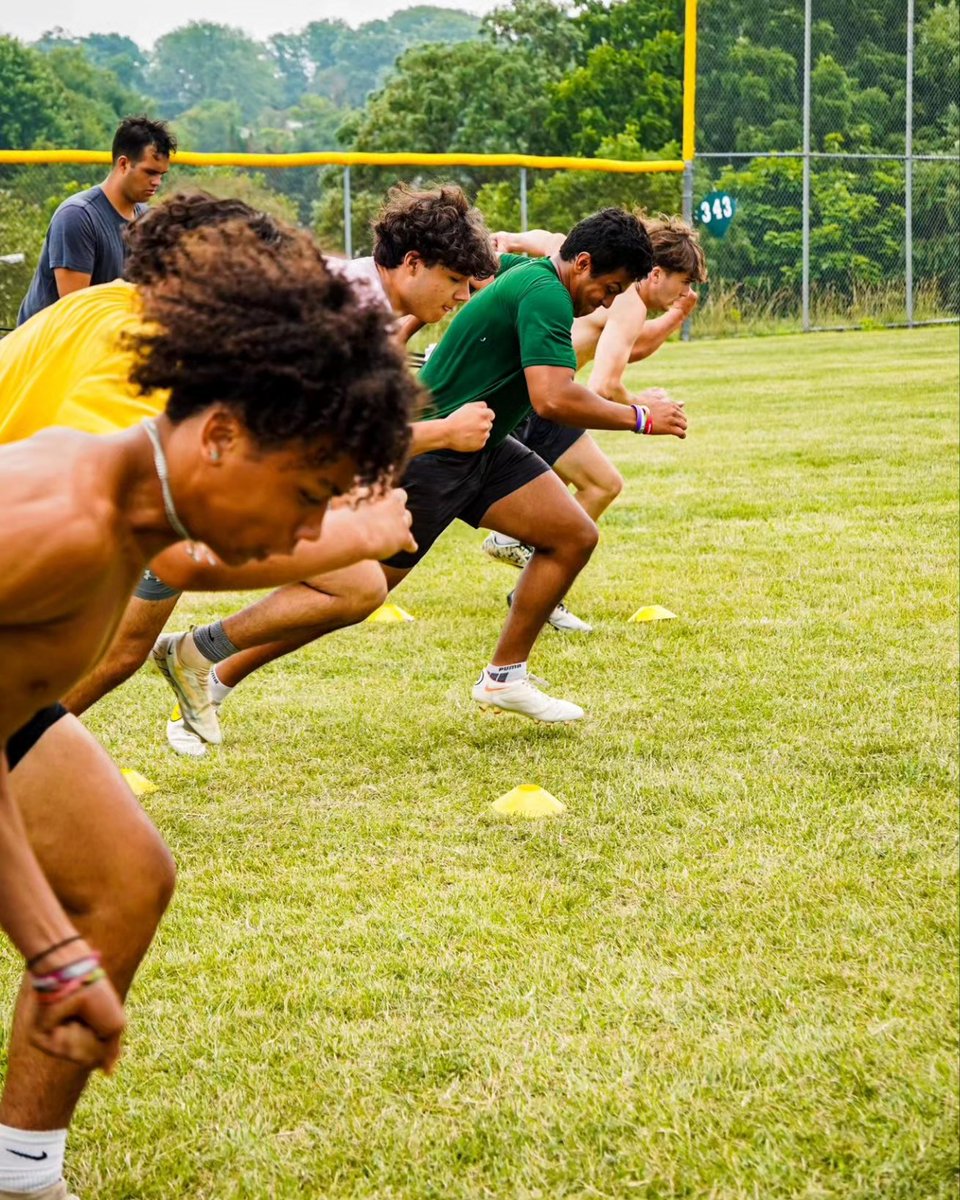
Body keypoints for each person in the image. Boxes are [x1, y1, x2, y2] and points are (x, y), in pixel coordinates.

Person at [0, 219, 418, 1200]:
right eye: (310, 495)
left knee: (126, 877)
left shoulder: (131, 497)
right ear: (221, 436)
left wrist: (61, 951)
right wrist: (51, 950)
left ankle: (21, 1173)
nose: (314, 530)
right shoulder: (58, 524)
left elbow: (192, 556)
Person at [158, 207, 687, 740]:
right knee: (343, 597)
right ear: (584, 263)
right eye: (610, 286)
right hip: (432, 456)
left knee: (573, 535)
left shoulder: (521, 273)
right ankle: (209, 664)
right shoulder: (546, 294)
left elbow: (473, 274)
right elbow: (550, 397)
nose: (609, 301)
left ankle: (504, 677)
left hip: (481, 444)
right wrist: (641, 417)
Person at [142, 185, 501, 752]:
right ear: (412, 264)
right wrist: (442, 433)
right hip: (193, 478)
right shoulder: (349, 308)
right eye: (454, 280)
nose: (461, 296)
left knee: (358, 585)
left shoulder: (363, 294)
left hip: (216, 468)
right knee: (106, 656)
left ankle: (191, 654)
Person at [480, 216, 707, 631]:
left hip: (535, 393)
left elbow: (551, 238)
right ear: (655, 273)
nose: (687, 291)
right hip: (539, 398)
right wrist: (644, 409)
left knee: (599, 484)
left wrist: (512, 238)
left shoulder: (600, 275)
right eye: (685, 281)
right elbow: (605, 384)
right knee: (601, 485)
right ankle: (530, 567)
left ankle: (518, 548)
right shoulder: (629, 301)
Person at [16, 116, 175, 327]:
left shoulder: (146, 220)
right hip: (47, 349)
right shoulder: (78, 216)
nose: (157, 182)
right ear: (124, 164)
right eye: (150, 172)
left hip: (101, 337)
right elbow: (77, 314)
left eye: (162, 174)